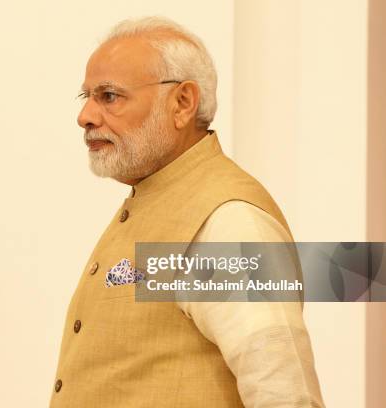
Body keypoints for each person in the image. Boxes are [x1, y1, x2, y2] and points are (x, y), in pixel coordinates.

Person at [50, 16, 325, 407]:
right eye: (87, 97)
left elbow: (283, 393)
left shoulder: (227, 219)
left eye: (109, 96)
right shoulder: (159, 201)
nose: (86, 116)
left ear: (182, 103)